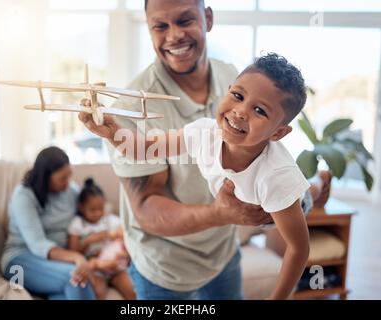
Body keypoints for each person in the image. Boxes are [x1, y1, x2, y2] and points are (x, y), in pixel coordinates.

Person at [79, 0, 330, 300]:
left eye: (259, 111)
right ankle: (315, 187)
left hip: (232, 244)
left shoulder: (276, 176)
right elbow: (144, 149)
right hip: (165, 268)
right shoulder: (204, 131)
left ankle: (314, 187)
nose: (238, 112)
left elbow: (299, 248)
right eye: (236, 96)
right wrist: (111, 132)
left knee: (302, 199)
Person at [1, 146, 103, 300]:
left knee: (67, 293)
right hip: (20, 260)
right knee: (76, 279)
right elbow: (38, 244)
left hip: (57, 263)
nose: (68, 183)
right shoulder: (23, 196)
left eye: (69, 176)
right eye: (62, 178)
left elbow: (90, 216)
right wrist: (76, 257)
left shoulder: (71, 191)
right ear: (45, 177)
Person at [68, 178, 135, 300]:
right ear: (81, 207)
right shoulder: (78, 224)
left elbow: (125, 235)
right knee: (98, 292)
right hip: (95, 269)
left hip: (115, 267)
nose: (98, 213)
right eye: (92, 210)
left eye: (101, 208)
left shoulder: (110, 220)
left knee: (132, 290)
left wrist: (113, 235)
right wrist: (89, 241)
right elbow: (73, 252)